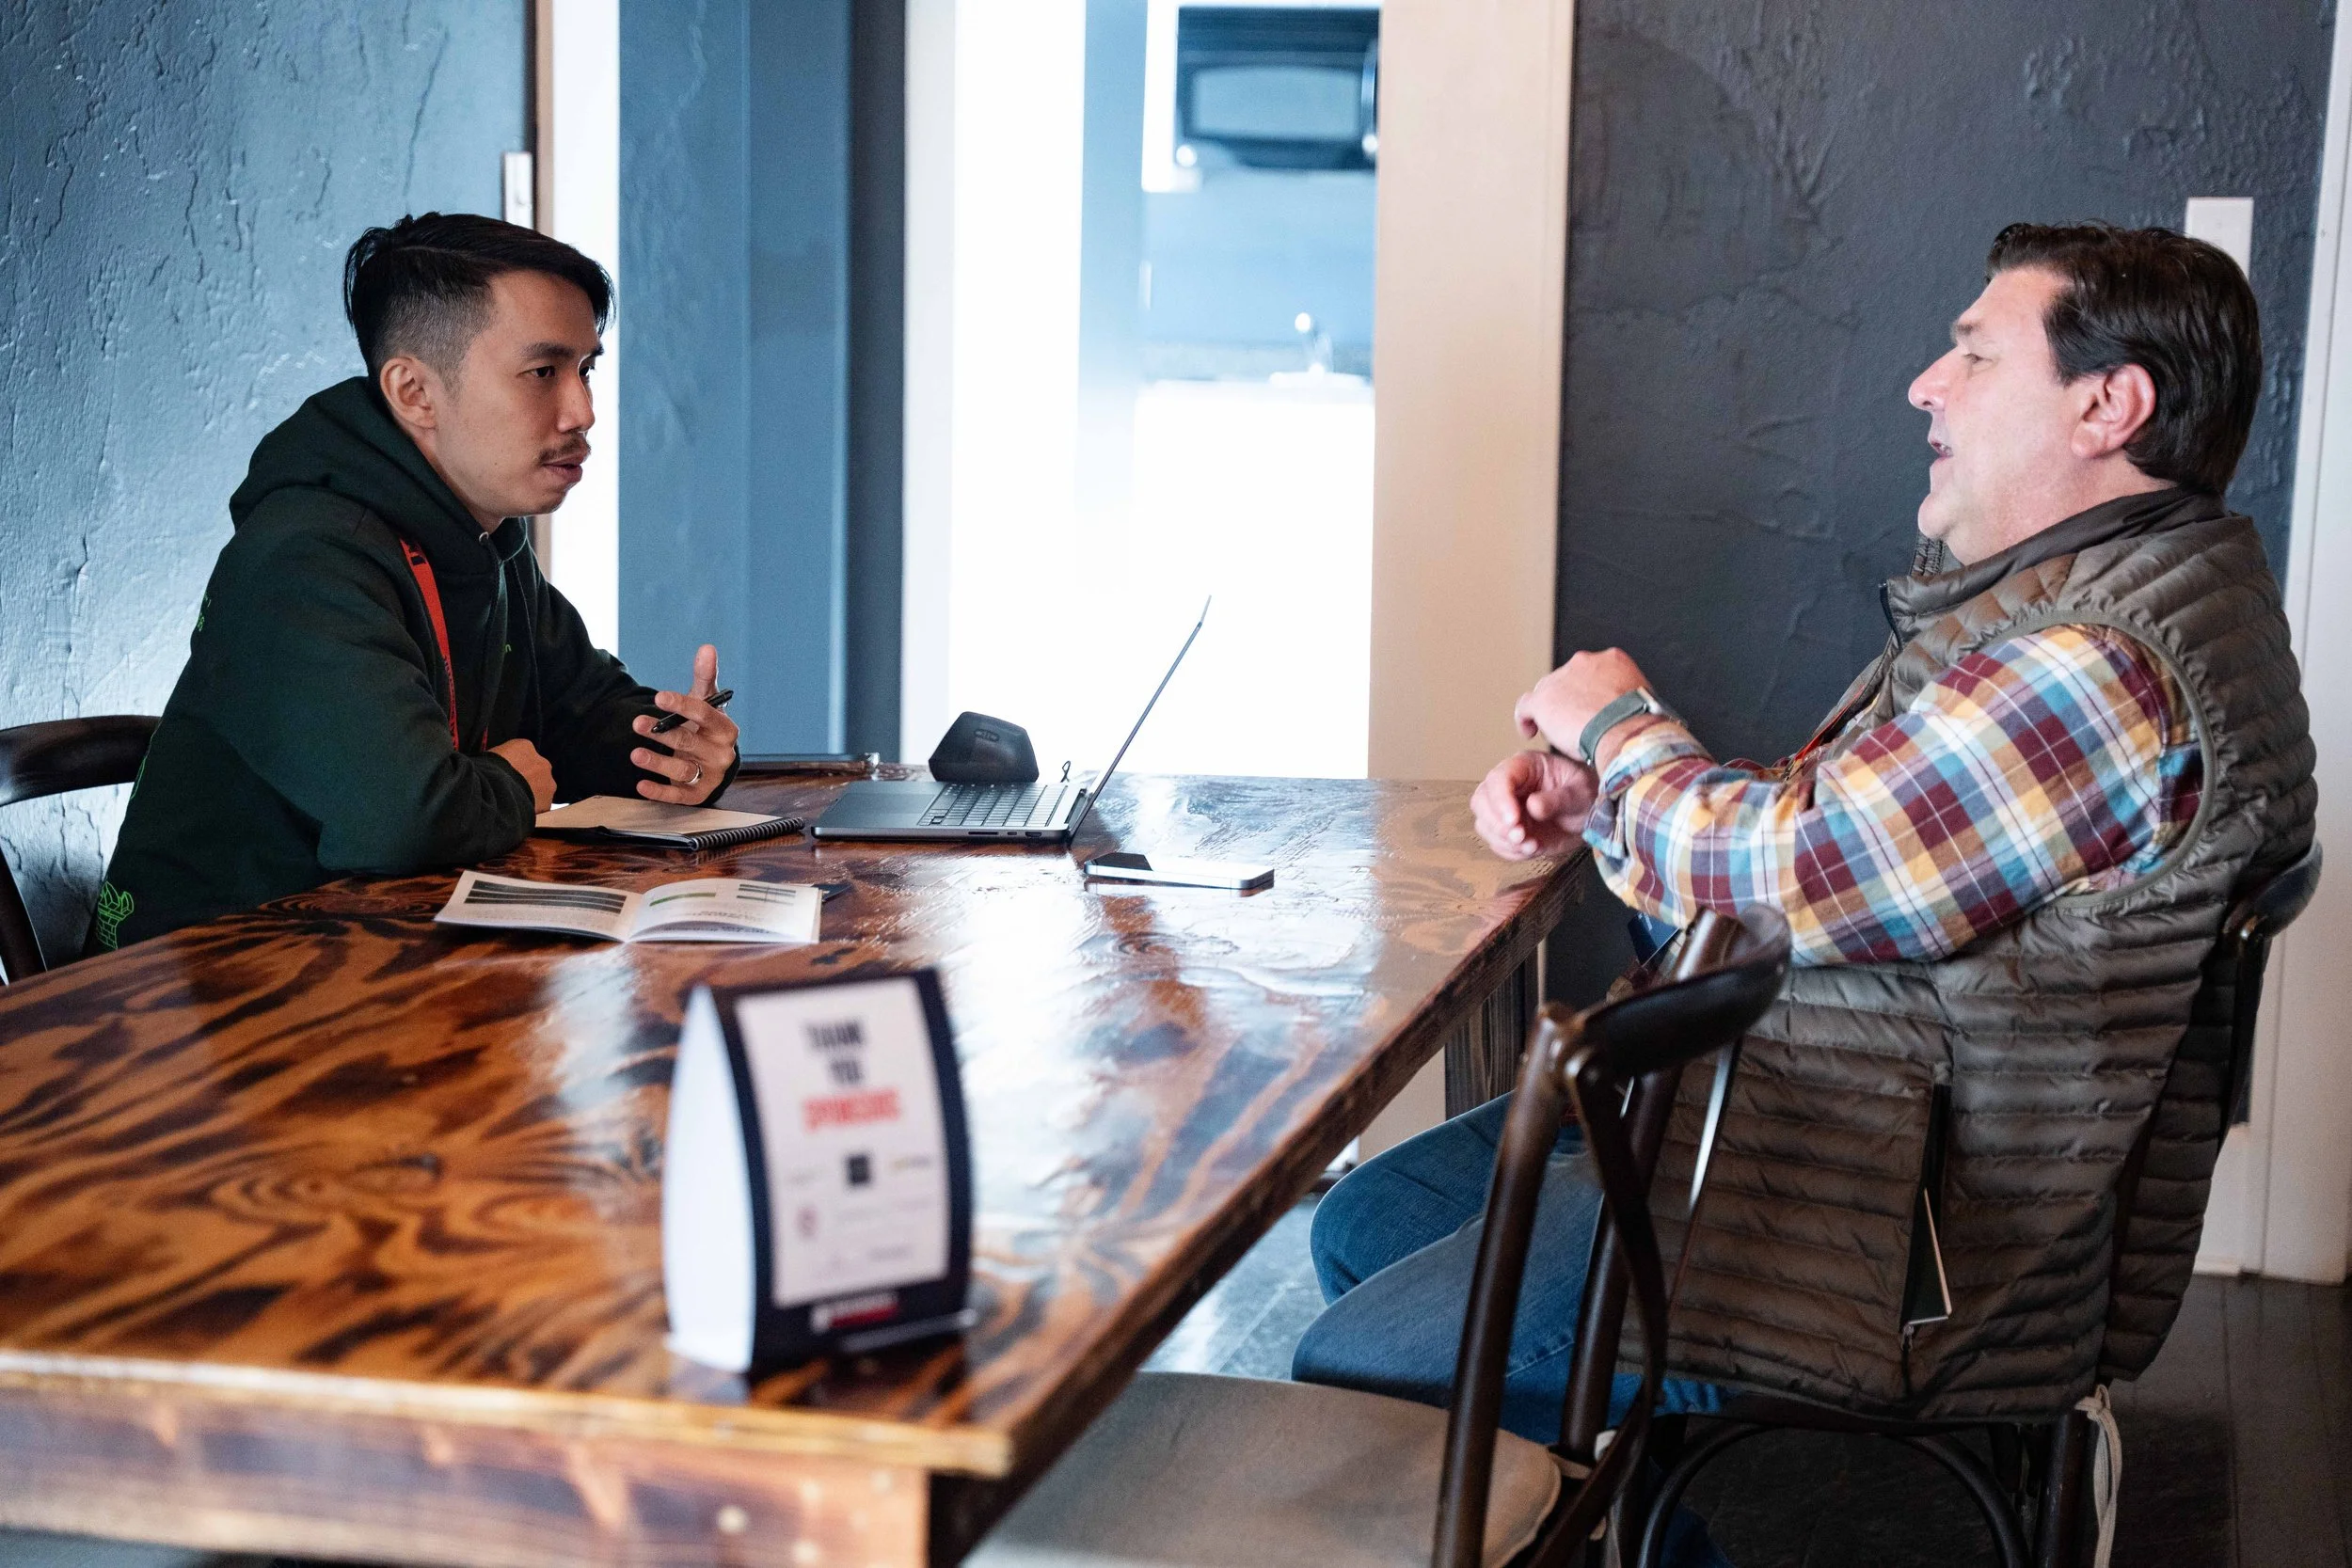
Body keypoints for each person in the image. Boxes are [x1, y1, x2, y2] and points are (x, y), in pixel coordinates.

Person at [1294, 223, 2315, 1559]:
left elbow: (1783, 875)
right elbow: (1846, 851)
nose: (1925, 387)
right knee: (1370, 1219)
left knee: (1361, 1362)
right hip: (1844, 1138)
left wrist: (1621, 726)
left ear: (2107, 405)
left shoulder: (2098, 667)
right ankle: (1626, 1520)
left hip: (1877, 1233)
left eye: (1972, 352)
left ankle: (1587, 1507)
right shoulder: (2111, 602)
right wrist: (1619, 801)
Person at [87, 214, 739, 954]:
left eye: (585, 369)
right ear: (413, 392)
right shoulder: (304, 557)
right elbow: (407, 817)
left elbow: (578, 714)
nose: (583, 411)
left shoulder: (485, 534)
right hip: (198, 1002)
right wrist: (510, 785)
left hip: (376, 964)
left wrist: (676, 751)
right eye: (542, 372)